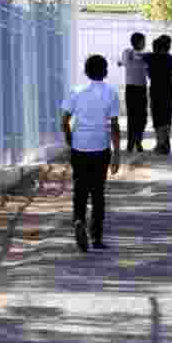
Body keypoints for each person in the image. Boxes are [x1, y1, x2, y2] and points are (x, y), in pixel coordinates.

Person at [61, 55, 121, 253]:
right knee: (97, 192)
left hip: (80, 147)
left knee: (80, 188)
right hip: (100, 147)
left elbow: (64, 120)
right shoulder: (111, 93)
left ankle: (79, 220)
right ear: (105, 72)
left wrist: (70, 138)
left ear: (86, 72)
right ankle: (96, 237)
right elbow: (114, 125)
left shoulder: (76, 91)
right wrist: (117, 154)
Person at [145, 35, 172, 155]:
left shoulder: (150, 57)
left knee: (157, 117)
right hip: (168, 91)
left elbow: (139, 58)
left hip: (155, 90)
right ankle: (165, 142)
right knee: (167, 117)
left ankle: (160, 143)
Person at [118, 32, 148, 153]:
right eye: (143, 41)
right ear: (138, 42)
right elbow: (125, 61)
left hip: (142, 88)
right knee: (132, 116)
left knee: (142, 116)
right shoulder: (128, 52)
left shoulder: (146, 55)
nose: (144, 44)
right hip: (131, 88)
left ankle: (138, 140)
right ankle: (131, 143)